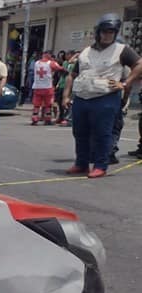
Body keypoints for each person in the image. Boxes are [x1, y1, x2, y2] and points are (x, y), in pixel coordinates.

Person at [63, 13, 142, 178]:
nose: (108, 35)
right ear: (98, 31)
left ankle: (100, 165)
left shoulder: (122, 50)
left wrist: (126, 83)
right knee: (80, 132)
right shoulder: (85, 52)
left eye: (112, 32)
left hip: (105, 98)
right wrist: (66, 96)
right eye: (105, 31)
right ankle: (81, 163)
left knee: (102, 133)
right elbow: (72, 74)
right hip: (82, 97)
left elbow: (139, 64)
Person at [31, 50, 64, 125]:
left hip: (37, 86)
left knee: (36, 104)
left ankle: (34, 118)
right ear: (48, 55)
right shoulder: (51, 63)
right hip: (47, 87)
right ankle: (47, 119)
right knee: (48, 104)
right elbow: (59, 68)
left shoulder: (36, 63)